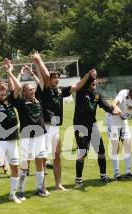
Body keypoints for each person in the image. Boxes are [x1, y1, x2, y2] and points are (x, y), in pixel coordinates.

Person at [32, 52, 91, 191]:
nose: (56, 80)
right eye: (54, 78)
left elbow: (76, 87)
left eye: (58, 78)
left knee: (57, 157)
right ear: (48, 80)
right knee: (42, 158)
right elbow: (45, 76)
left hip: (56, 128)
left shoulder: (59, 90)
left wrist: (87, 76)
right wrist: (38, 60)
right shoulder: (43, 89)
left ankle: (58, 184)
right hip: (45, 128)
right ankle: (42, 186)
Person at [4, 59, 49, 198]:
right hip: (27, 135)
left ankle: (40, 188)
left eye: (33, 89)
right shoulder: (21, 102)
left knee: (40, 161)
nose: (33, 91)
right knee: (25, 164)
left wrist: (32, 73)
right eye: (30, 90)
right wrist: (11, 73)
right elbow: (15, 88)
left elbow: (41, 83)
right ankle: (21, 191)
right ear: (24, 92)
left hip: (40, 134)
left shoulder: (38, 99)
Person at [73, 70, 120, 189]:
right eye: (92, 81)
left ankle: (103, 176)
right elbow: (83, 82)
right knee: (82, 153)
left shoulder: (97, 94)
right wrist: (90, 74)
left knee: (101, 152)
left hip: (92, 126)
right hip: (80, 126)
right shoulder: (80, 92)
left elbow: (105, 105)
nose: (94, 82)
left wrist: (113, 110)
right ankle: (78, 180)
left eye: (95, 81)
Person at [0, 76, 21, 205]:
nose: (3, 87)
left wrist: (9, 72)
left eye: (4, 85)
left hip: (12, 139)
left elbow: (18, 88)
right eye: (0, 86)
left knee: (15, 167)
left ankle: (12, 194)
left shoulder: (10, 100)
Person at [107, 83, 132, 180]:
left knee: (128, 145)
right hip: (113, 121)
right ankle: (116, 173)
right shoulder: (124, 93)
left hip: (124, 122)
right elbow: (113, 103)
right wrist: (116, 108)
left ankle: (128, 172)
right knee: (116, 146)